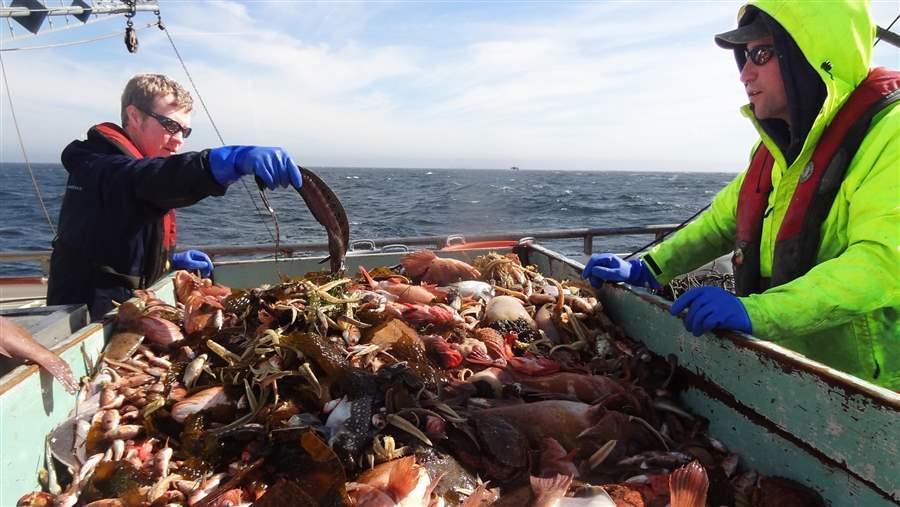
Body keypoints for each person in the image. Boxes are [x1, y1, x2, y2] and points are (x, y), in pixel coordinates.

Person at [583, 1, 899, 390]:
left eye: (761, 55)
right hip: (788, 373)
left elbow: (880, 264)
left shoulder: (891, 134)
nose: (745, 73)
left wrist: (758, 313)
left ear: (810, 56)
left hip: (874, 395)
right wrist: (648, 266)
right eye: (744, 57)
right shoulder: (775, 150)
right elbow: (720, 222)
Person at [47, 73, 304, 321]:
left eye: (185, 131)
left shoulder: (127, 168)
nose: (178, 141)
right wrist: (226, 161)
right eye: (171, 126)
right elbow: (152, 179)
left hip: (126, 309)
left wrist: (166, 264)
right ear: (134, 116)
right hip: (89, 320)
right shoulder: (101, 168)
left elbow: (120, 241)